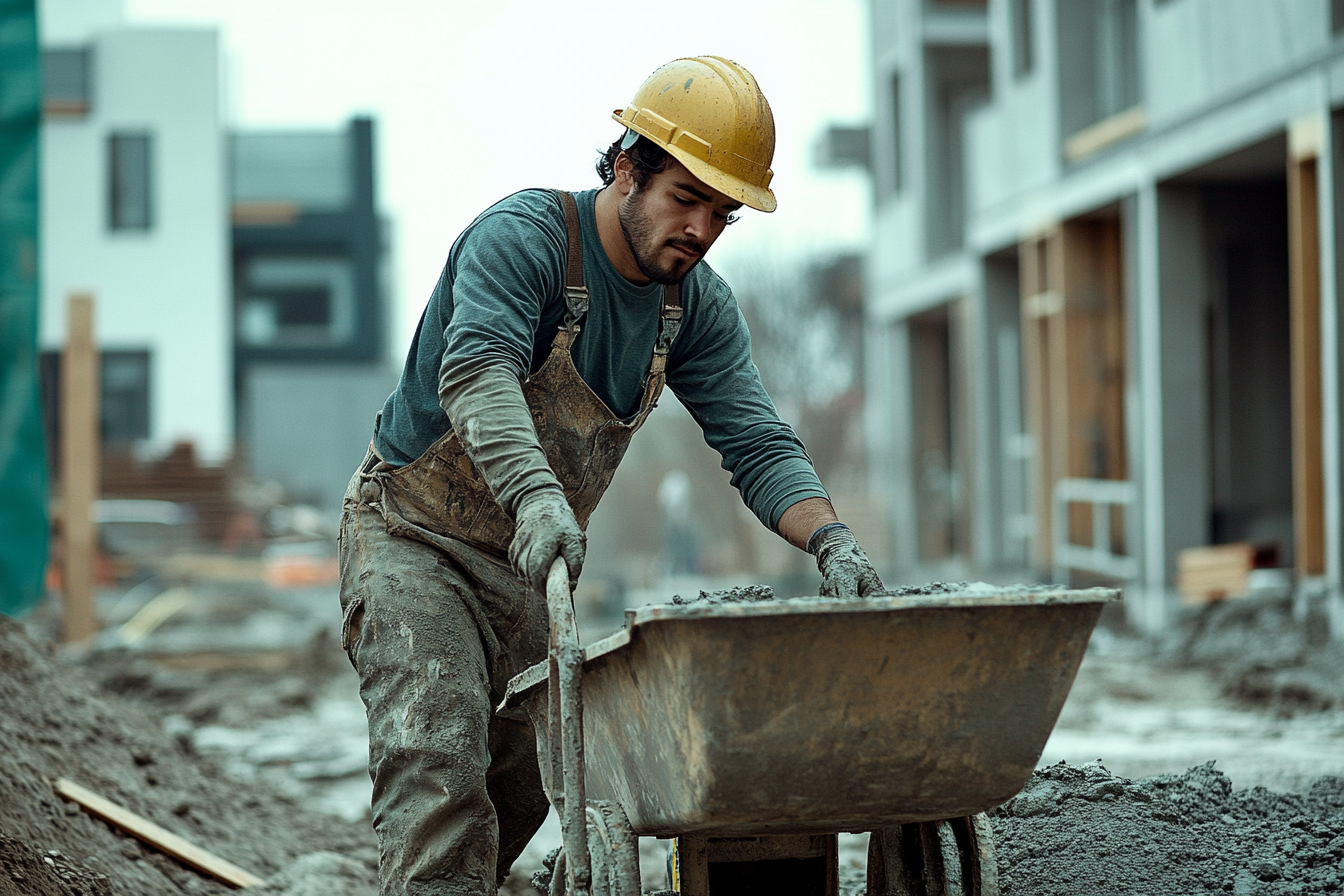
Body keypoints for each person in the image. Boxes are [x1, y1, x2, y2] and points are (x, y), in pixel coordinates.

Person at [337, 56, 886, 896]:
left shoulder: (693, 306)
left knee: (523, 789)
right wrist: (537, 497)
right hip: (413, 536)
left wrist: (833, 543)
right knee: (439, 770)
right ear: (627, 166)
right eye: (685, 199)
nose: (701, 230)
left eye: (722, 214)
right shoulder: (522, 240)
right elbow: (476, 372)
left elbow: (756, 441)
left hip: (527, 567)